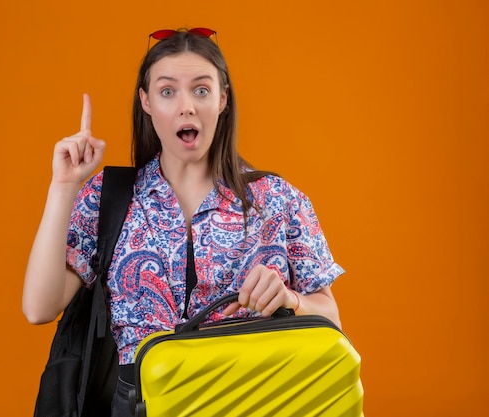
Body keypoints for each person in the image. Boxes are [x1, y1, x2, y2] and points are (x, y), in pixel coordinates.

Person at [23, 27, 344, 416]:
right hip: (142, 403)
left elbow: (332, 319)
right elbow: (38, 308)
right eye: (167, 91)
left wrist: (291, 300)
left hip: (254, 400)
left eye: (202, 90)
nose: (186, 106)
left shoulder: (278, 199)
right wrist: (63, 186)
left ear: (223, 99)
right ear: (146, 102)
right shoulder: (107, 198)